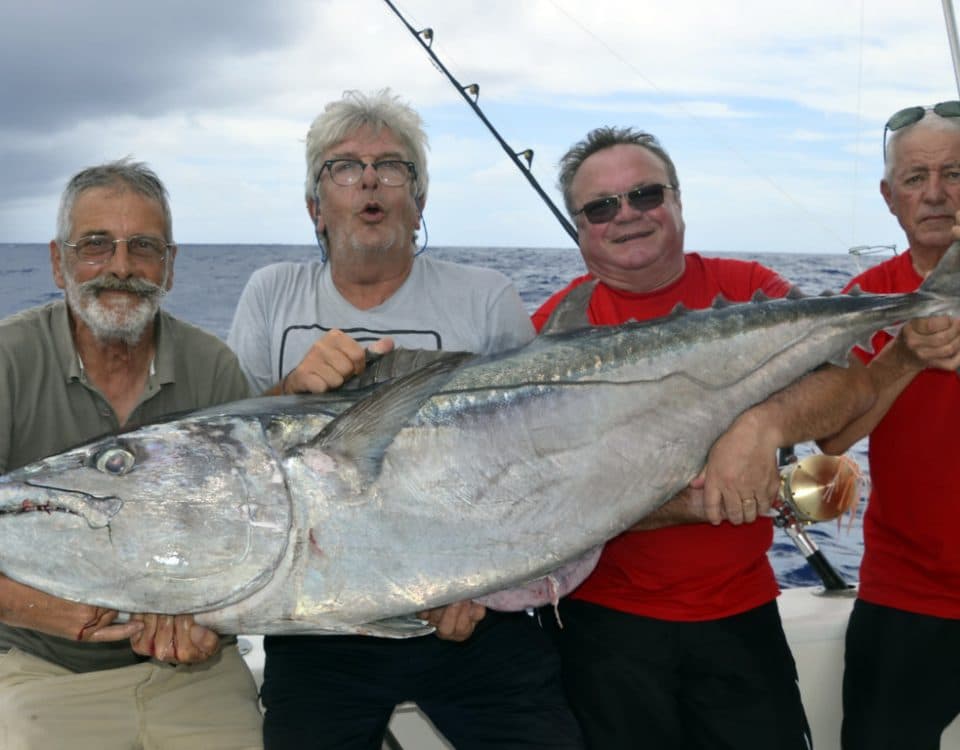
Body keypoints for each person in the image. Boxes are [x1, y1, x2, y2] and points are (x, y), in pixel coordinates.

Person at [227, 89, 584, 750]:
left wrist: (485, 584)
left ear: (417, 203)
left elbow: (538, 458)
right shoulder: (270, 292)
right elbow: (234, 466)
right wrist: (290, 390)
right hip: (318, 623)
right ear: (315, 207)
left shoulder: (485, 297)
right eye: (344, 167)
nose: (368, 180)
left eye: (391, 167)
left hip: (471, 614)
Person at [531, 126, 876, 750]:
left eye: (644, 194)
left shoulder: (746, 290)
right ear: (580, 227)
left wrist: (760, 424)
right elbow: (546, 502)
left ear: (679, 200)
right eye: (602, 207)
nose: (627, 216)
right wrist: (691, 501)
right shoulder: (547, 333)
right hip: (600, 631)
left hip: (742, 615)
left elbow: (850, 388)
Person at [0, 159, 263, 749]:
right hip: (41, 675)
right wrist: (54, 611)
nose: (120, 267)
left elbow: (255, 533)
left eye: (143, 247)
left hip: (197, 675)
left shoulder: (214, 367)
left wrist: (206, 621)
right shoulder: (7, 362)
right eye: (96, 245)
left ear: (169, 267)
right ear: (56, 260)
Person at [816, 105, 960, 750]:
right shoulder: (863, 297)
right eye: (915, 177)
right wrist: (906, 354)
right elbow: (833, 437)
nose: (935, 193)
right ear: (889, 197)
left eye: (955, 173)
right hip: (908, 592)